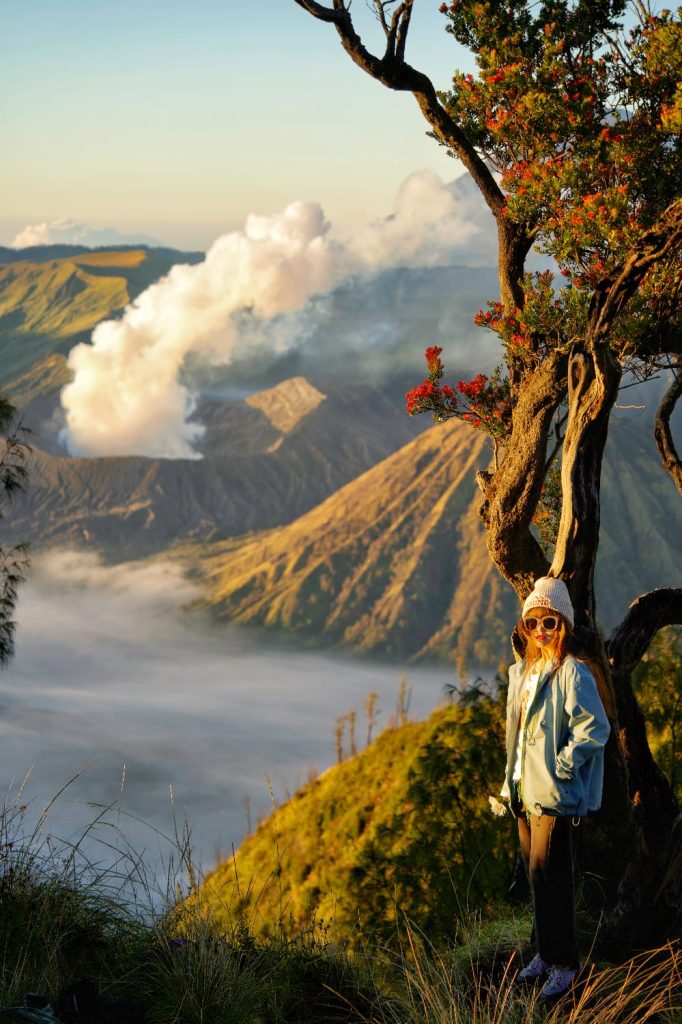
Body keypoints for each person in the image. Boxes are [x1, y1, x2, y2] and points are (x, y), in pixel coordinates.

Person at [498, 576, 611, 1000]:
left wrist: (562, 767)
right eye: (532, 623)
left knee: (556, 882)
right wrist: (510, 783)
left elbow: (595, 728)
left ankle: (566, 966)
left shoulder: (573, 673)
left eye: (549, 621)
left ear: (562, 623)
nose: (541, 630)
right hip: (527, 794)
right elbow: (516, 734)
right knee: (537, 878)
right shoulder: (525, 672)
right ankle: (546, 956)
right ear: (524, 627)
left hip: (557, 797)